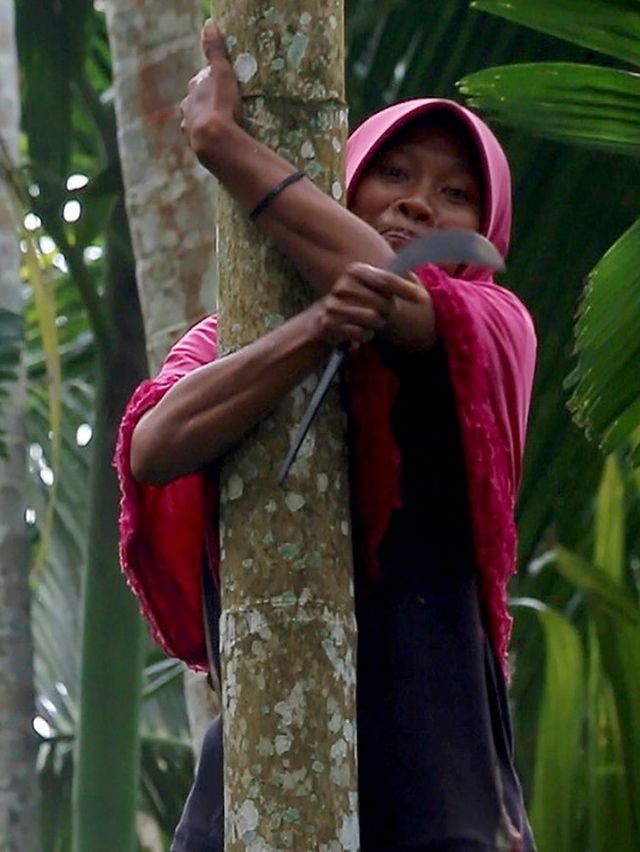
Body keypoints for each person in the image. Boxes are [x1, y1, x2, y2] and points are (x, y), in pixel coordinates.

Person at [115, 20, 537, 852]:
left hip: (439, 760)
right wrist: (306, 333)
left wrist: (224, 146)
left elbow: (389, 295)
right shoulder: (226, 334)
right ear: (348, 183)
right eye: (393, 173)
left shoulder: (493, 322)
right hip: (263, 753)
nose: (419, 202)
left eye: (456, 194)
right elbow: (155, 445)